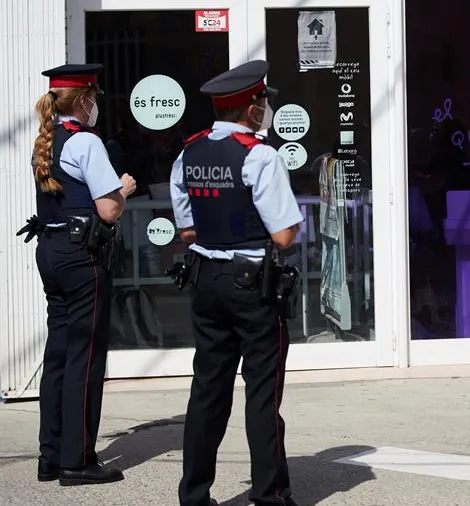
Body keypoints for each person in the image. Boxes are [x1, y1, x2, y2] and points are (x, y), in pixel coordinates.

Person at [170, 60, 303, 506]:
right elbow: (284, 235)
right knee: (262, 394)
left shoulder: (188, 151)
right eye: (262, 101)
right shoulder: (259, 155)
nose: (265, 108)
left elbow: (186, 230)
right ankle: (270, 495)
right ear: (251, 107)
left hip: (206, 278)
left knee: (208, 390)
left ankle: (194, 495)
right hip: (251, 284)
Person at [22, 63, 136, 486]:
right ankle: (78, 460)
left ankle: (50, 456)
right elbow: (107, 209)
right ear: (85, 99)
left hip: (51, 251)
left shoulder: (43, 142)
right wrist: (122, 189)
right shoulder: (85, 142)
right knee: (85, 358)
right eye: (96, 98)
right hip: (80, 256)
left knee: (58, 355)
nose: (97, 106)